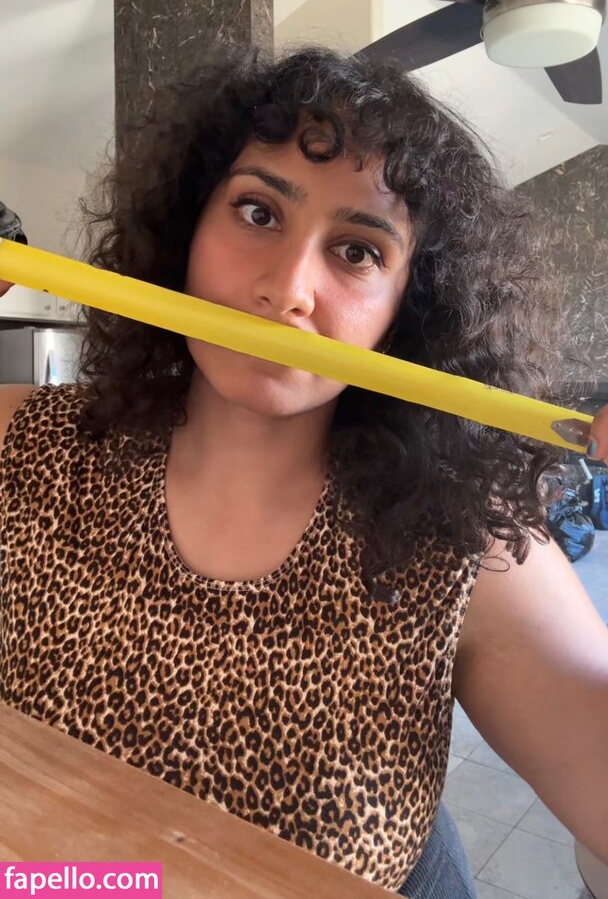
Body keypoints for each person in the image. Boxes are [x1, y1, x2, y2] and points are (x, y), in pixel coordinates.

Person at [0, 46, 607, 898]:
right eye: (257, 212)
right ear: (186, 232)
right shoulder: (21, 440)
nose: (288, 290)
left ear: (408, 311)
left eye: (357, 252)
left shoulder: (467, 549)